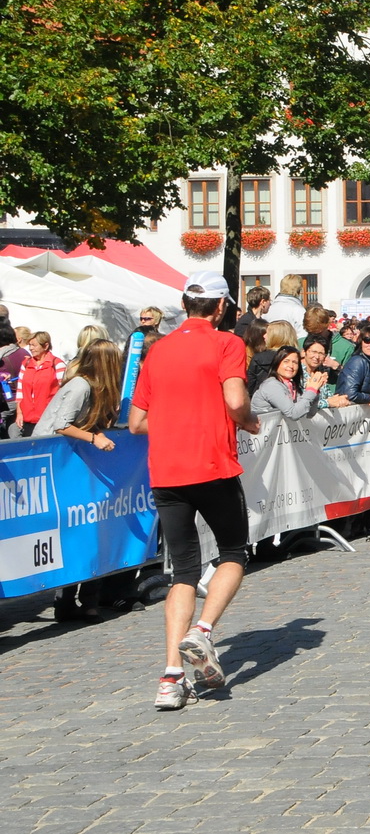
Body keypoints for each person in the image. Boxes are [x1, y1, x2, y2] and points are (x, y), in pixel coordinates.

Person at [128, 271, 259, 711]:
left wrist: (176, 419)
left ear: (184, 304)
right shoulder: (227, 343)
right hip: (212, 465)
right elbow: (237, 400)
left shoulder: (157, 350)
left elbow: (136, 422)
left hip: (167, 471)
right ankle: (201, 632)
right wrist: (248, 422)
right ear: (221, 308)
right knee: (233, 553)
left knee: (182, 571)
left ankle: (170, 677)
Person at [38, 339, 123, 622]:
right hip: (52, 462)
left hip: (73, 461)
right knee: (73, 528)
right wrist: (94, 438)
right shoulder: (80, 386)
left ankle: (88, 599)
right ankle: (66, 600)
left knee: (91, 524)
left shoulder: (96, 389)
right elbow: (62, 423)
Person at [16, 331, 65, 439]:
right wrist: (19, 413)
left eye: (34, 345)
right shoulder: (26, 364)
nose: (30, 348)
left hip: (48, 420)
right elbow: (20, 392)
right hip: (27, 420)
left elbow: (64, 392)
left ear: (46, 345)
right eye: (29, 345)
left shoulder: (57, 364)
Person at [250, 346, 319, 419]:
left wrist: (315, 391)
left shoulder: (292, 386)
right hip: (263, 429)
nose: (291, 366)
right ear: (277, 363)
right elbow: (293, 413)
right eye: (286, 361)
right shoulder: (272, 385)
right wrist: (311, 390)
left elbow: (309, 414)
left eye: (295, 362)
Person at [334, 325, 370, 408]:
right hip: (348, 413)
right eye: (367, 340)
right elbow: (349, 394)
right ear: (361, 342)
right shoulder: (357, 361)